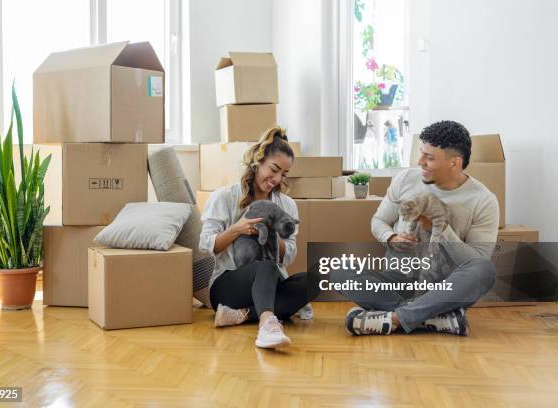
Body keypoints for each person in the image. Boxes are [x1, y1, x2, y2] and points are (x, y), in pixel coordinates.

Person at [331, 120, 499, 336]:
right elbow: (378, 221)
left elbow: (476, 259)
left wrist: (440, 227)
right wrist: (391, 237)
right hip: (398, 280)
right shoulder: (406, 179)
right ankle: (430, 318)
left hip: (443, 288)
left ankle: (395, 318)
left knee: (484, 270)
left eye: (429, 157)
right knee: (338, 270)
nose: (420, 162)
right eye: (421, 153)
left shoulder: (483, 200)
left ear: (454, 163)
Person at [199, 126, 320, 349]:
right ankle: (267, 324)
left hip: (269, 282)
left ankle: (240, 315)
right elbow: (207, 245)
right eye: (273, 169)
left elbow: (290, 255)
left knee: (316, 279)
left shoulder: (287, 205)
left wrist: (274, 234)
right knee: (264, 267)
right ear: (258, 160)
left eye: (283, 174)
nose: (276, 179)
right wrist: (238, 229)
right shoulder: (224, 197)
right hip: (228, 285)